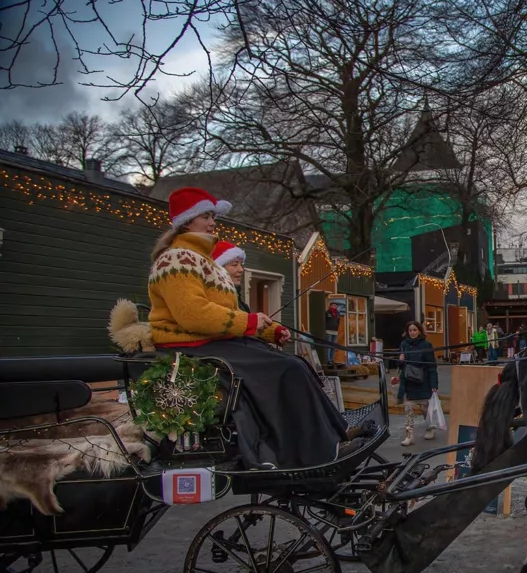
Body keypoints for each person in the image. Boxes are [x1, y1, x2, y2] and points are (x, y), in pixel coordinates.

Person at [147, 186, 367, 470]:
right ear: (187, 221)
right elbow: (194, 315)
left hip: (209, 342)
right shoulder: (175, 259)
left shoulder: (201, 261)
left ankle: (334, 434)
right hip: (191, 347)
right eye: (206, 216)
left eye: (213, 216)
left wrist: (269, 331)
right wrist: (251, 323)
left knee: (295, 363)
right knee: (288, 369)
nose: (213, 223)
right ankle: (319, 451)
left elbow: (229, 314)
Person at [396, 321, 439, 447]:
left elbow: (432, 366)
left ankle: (430, 428)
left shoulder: (426, 345)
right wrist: (400, 361)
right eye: (410, 330)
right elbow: (399, 365)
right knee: (408, 409)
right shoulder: (404, 344)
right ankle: (409, 436)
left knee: (425, 409)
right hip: (408, 382)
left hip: (422, 381)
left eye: (414, 330)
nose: (412, 332)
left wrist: (434, 384)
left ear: (419, 330)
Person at [212, 240, 249, 312]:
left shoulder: (243, 305)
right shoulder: (213, 302)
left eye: (241, 265)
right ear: (218, 268)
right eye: (234, 264)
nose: (241, 270)